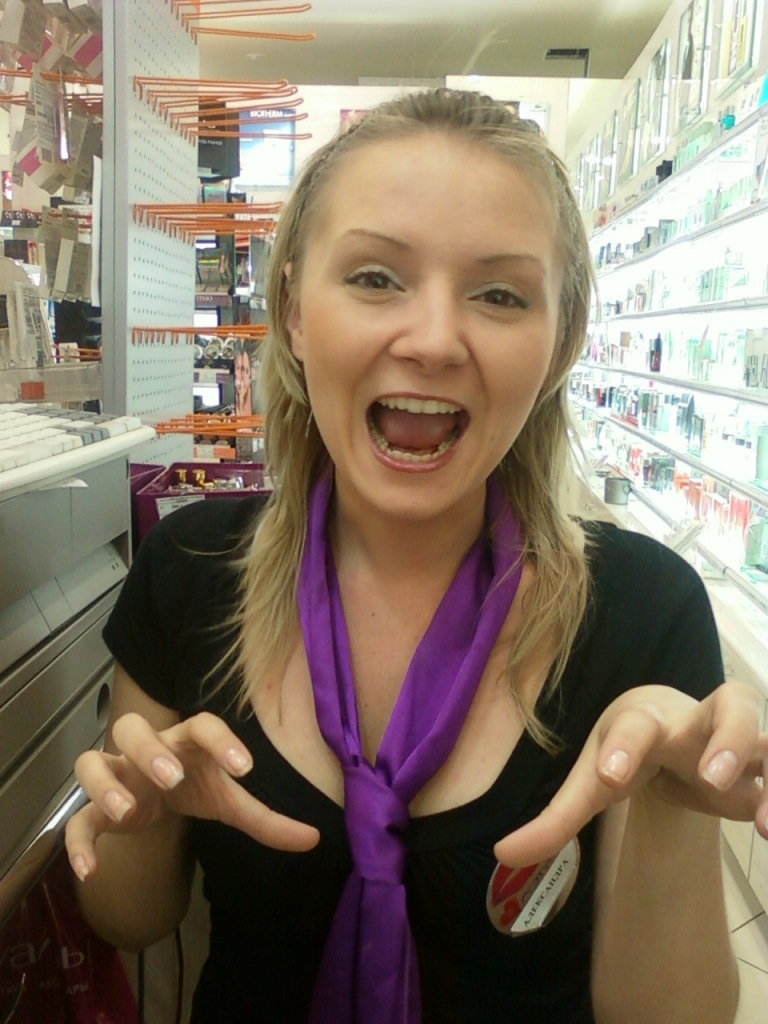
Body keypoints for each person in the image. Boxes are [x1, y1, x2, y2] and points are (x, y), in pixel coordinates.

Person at [65, 89, 767, 1024]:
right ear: (293, 312)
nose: (434, 341)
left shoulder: (642, 609)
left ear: (559, 344)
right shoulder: (189, 570)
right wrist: (142, 822)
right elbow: (128, 918)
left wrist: (674, 803)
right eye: (374, 278)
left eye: (500, 294)